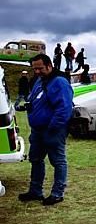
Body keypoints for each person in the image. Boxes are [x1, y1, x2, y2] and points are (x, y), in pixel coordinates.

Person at [18, 53, 73, 206]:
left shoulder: (59, 82)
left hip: (53, 130)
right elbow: (36, 99)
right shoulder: (40, 81)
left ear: (49, 65)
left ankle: (57, 194)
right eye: (34, 69)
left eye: (40, 68)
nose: (36, 72)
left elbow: (64, 108)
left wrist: (53, 127)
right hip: (38, 130)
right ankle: (36, 191)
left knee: (58, 161)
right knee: (35, 159)